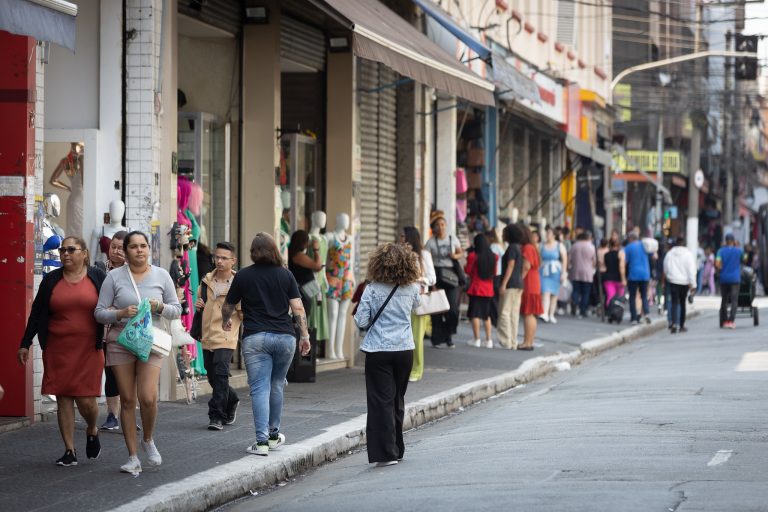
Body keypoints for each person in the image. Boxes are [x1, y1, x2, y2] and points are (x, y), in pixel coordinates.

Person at [95, 231, 182, 474]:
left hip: (151, 342)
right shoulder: (113, 277)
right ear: (125, 251)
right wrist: (120, 313)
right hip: (120, 341)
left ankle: (148, 439)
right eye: (133, 246)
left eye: (143, 245)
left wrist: (160, 306)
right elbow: (99, 312)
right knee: (127, 400)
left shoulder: (161, 275)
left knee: (147, 397)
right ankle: (132, 456)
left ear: (149, 249)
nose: (139, 250)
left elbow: (177, 309)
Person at [18, 236, 106, 467]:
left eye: (71, 249)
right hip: (58, 348)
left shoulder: (98, 276)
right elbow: (37, 312)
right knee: (63, 397)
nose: (65, 254)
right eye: (62, 250)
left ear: (84, 253)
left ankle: (92, 428)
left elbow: (110, 306)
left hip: (89, 348)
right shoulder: (51, 280)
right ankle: (69, 450)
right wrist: (25, 343)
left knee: (86, 400)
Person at [221, 233, 311, 456]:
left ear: (253, 252)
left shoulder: (243, 275)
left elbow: (228, 305)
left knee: (260, 388)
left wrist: (226, 320)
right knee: (277, 384)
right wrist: (305, 336)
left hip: (256, 338)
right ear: (274, 251)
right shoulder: (286, 275)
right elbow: (298, 308)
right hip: (285, 338)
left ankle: (261, 442)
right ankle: (273, 436)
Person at [353, 243, 421, 467]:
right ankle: (397, 448)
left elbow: (361, 321)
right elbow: (418, 307)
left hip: (379, 350)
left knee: (380, 401)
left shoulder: (372, 289)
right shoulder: (412, 288)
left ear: (378, 264)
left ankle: (386, 453)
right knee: (396, 399)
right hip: (404, 349)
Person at [94, 230, 141, 432]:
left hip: (131, 330)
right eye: (113, 247)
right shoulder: (98, 269)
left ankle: (128, 414)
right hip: (105, 330)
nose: (116, 251)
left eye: (120, 248)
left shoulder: (134, 272)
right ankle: (112, 415)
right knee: (111, 372)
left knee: (131, 375)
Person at [196, 241, 243, 431]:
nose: (220, 261)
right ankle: (232, 399)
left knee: (221, 374)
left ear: (233, 261)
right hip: (207, 335)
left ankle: (216, 416)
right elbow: (201, 301)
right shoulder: (206, 280)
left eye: (224, 258)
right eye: (217, 257)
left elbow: (244, 312)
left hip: (226, 336)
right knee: (212, 377)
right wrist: (198, 304)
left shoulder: (239, 283)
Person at [401, 226, 435, 382]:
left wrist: (421, 279)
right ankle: (404, 369)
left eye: (403, 236)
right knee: (402, 337)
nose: (401, 239)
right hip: (401, 300)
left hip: (418, 300)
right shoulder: (400, 254)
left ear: (410, 237)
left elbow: (432, 278)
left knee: (415, 338)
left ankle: (416, 370)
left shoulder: (424, 255)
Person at [425, 210, 464, 348]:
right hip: (436, 275)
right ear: (434, 228)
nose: (440, 227)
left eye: (442, 224)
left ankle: (448, 335)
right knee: (436, 309)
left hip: (451, 275)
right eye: (438, 225)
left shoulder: (453, 239)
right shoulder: (430, 242)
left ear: (446, 226)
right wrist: (431, 282)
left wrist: (455, 256)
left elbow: (461, 252)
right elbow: (425, 259)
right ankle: (437, 339)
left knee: (452, 310)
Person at [464, 234, 498, 348]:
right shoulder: (494, 256)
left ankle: (477, 339)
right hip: (488, 290)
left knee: (475, 314)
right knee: (486, 315)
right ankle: (489, 340)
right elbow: (494, 272)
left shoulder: (473, 256)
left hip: (476, 288)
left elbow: (468, 271)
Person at [497, 224, 525, 350]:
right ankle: (513, 341)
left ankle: (506, 341)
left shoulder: (512, 248)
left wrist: (503, 283)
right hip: (518, 284)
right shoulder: (518, 247)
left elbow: (510, 265)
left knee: (504, 312)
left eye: (504, 233)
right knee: (514, 314)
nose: (502, 235)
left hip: (510, 284)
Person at [663, 237, 697, 333]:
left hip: (673, 280)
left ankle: (674, 323)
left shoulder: (670, 254)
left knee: (674, 302)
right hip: (684, 282)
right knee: (682, 303)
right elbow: (691, 271)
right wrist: (693, 285)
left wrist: (669, 277)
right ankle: (681, 325)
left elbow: (665, 267)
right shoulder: (688, 255)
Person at [518, 225, 543, 351]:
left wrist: (519, 279)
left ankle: (527, 342)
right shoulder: (532, 247)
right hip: (534, 281)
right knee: (531, 313)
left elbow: (526, 266)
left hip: (528, 282)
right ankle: (529, 341)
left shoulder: (527, 247)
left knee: (528, 313)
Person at [288, 230, 323, 314]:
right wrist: (316, 250)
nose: (307, 244)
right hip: (302, 292)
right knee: (303, 315)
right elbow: (318, 266)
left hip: (303, 291)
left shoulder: (295, 254)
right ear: (302, 242)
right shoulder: (298, 256)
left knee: (304, 314)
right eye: (307, 241)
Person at [539, 226, 567, 323]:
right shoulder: (542, 245)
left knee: (554, 294)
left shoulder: (559, 245)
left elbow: (564, 259)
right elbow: (539, 258)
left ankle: (551, 314)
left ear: (554, 235)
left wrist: (563, 272)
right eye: (547, 233)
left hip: (555, 271)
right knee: (545, 292)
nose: (547, 235)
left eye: (549, 233)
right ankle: (544, 313)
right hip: (544, 271)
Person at [716, 233, 744, 329]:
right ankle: (731, 321)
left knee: (724, 300)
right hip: (735, 279)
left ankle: (724, 321)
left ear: (726, 241)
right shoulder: (739, 250)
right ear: (734, 241)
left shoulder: (720, 251)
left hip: (724, 278)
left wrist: (721, 269)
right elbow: (744, 258)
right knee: (734, 300)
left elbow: (717, 263)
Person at [624, 232, 652, 325]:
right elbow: (653, 255)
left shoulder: (628, 247)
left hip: (634, 274)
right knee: (643, 295)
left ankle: (634, 318)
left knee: (632, 296)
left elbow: (624, 261)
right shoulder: (644, 245)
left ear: (630, 238)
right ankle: (646, 313)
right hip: (645, 274)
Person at [568, 231, 597, 318]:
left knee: (576, 290)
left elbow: (569, 258)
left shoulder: (574, 246)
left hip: (575, 271)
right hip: (587, 272)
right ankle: (582, 311)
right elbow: (594, 261)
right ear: (588, 237)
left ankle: (574, 302)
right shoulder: (591, 246)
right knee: (586, 292)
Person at [486, 229, 505, 326]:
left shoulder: (493, 247)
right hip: (499, 274)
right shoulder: (499, 246)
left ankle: (495, 319)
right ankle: (496, 318)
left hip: (494, 274)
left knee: (493, 298)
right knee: (496, 298)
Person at [603, 238, 626, 306]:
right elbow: (621, 267)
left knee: (610, 297)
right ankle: (618, 310)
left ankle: (610, 309)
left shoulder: (606, 255)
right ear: (619, 245)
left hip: (608, 278)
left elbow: (606, 265)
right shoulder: (621, 254)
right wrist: (623, 279)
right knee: (619, 297)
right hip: (618, 278)